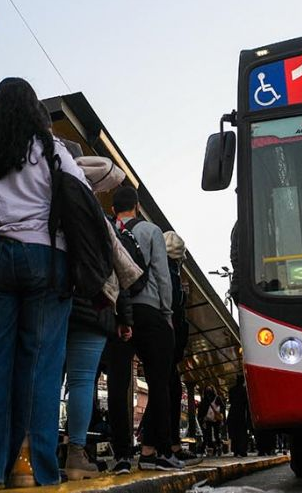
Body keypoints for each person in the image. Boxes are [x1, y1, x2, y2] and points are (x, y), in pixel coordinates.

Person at [0, 78, 87, 488]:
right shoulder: (52, 151)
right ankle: (30, 468)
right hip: (47, 260)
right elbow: (82, 197)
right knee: (40, 366)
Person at [63, 156, 141, 481]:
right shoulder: (100, 220)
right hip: (95, 308)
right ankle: (75, 455)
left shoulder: (53, 206)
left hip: (60, 301)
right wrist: (125, 317)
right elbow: (122, 273)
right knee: (82, 381)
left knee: (49, 375)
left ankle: (29, 450)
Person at [104, 186, 180, 472]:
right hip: (149, 312)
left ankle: (122, 455)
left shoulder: (109, 228)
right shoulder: (151, 231)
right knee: (159, 382)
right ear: (137, 206)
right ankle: (155, 453)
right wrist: (167, 313)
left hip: (117, 312)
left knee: (117, 383)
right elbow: (162, 274)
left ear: (114, 209)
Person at [161, 231, 201, 466]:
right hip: (168, 341)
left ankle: (166, 444)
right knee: (169, 391)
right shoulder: (170, 274)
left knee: (168, 390)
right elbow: (174, 311)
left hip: (167, 341)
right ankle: (168, 446)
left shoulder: (164, 270)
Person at [226, 376, 250, 457]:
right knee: (242, 433)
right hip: (242, 413)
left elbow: (230, 400)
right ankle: (242, 450)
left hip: (233, 413)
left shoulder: (232, 390)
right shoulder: (244, 390)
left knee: (234, 433)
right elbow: (247, 402)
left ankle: (236, 450)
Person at [197, 386, 224, 457]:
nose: (208, 391)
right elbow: (202, 409)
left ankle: (218, 447)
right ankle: (213, 449)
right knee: (209, 435)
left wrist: (219, 413)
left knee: (216, 434)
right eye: (207, 389)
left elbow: (222, 406)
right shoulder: (205, 399)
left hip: (215, 418)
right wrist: (202, 418)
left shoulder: (217, 398)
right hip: (208, 419)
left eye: (209, 389)